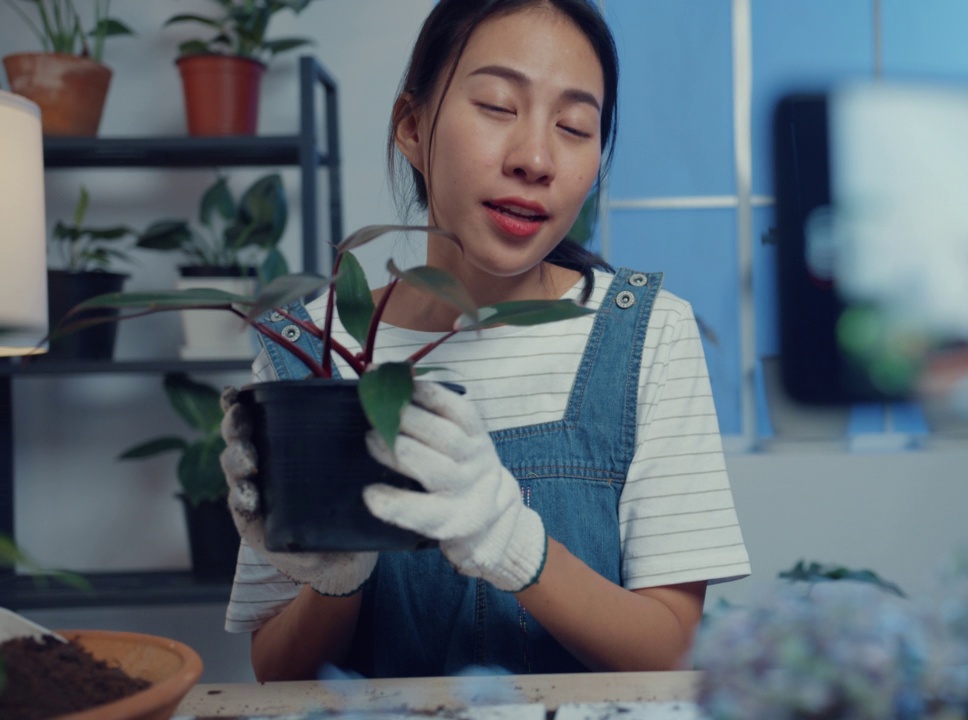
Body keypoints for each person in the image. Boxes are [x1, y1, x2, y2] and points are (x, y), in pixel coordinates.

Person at [219, 0, 751, 681]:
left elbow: (675, 653)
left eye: (575, 125)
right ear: (412, 127)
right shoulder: (307, 353)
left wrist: (512, 545)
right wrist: (336, 579)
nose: (535, 158)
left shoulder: (649, 333)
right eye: (498, 106)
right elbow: (278, 676)